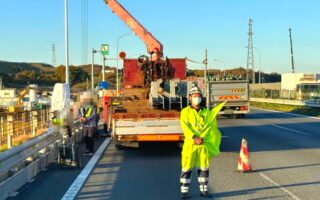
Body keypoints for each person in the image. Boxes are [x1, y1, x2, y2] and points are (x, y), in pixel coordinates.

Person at [179, 86, 225, 199]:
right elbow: (185, 127)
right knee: (186, 167)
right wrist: (195, 137)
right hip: (190, 144)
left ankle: (204, 190)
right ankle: (184, 192)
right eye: (194, 96)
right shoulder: (185, 112)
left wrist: (203, 139)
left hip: (203, 144)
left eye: (198, 96)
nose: (196, 98)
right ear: (190, 98)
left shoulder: (207, 113)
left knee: (204, 167)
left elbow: (211, 127)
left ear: (201, 98)